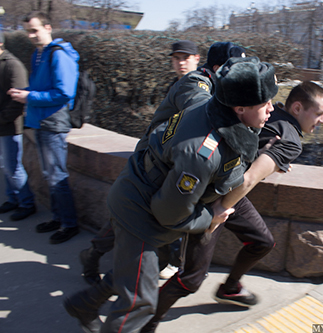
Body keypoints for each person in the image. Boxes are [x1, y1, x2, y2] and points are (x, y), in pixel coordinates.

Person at [64, 56, 279, 333]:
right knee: (138, 304)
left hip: (146, 202)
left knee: (144, 270)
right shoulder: (203, 153)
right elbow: (169, 212)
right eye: (265, 104)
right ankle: (87, 307)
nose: (272, 108)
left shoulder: (215, 108)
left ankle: (84, 305)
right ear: (239, 108)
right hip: (141, 215)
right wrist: (210, 217)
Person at [139, 80, 323, 332]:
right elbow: (249, 178)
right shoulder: (292, 140)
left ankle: (230, 289)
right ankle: (145, 321)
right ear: (297, 108)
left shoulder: (273, 114)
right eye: (319, 113)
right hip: (212, 195)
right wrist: (217, 213)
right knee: (191, 279)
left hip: (223, 186)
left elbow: (256, 150)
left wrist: (275, 160)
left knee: (262, 242)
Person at [78, 41, 246, 285]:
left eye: (186, 57)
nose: (180, 62)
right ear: (221, 68)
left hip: (175, 164)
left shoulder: (216, 86)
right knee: (133, 219)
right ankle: (95, 260)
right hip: (155, 165)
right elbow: (200, 109)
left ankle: (151, 272)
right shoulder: (196, 83)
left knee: (151, 221)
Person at [8, 11, 79, 244]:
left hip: (53, 123)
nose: (31, 35)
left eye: (35, 30)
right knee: (49, 175)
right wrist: (27, 95)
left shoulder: (58, 55)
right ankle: (58, 218)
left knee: (57, 175)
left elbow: (64, 93)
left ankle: (70, 224)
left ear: (48, 27)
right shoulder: (39, 54)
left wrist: (29, 96)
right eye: (28, 31)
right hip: (40, 121)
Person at [0, 30, 37, 221]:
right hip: (2, 125)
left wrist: (2, 119)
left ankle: (26, 203)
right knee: (5, 166)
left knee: (12, 166)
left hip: (9, 126)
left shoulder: (12, 65)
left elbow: (17, 100)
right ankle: (13, 198)